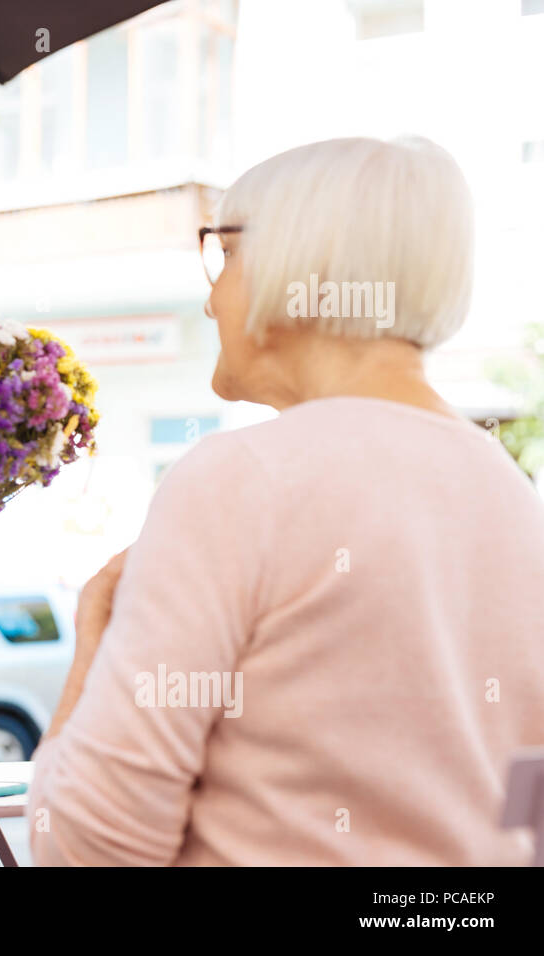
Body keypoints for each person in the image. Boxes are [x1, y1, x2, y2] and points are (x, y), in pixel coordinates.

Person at [27, 135, 544, 865]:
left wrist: (92, 643)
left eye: (226, 254)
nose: (209, 299)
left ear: (303, 260)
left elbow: (88, 846)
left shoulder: (238, 481)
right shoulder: (511, 498)